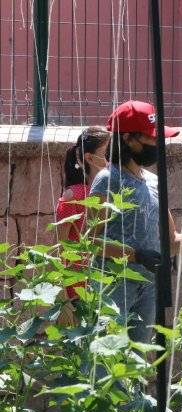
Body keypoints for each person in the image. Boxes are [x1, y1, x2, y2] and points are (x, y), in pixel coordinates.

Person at [90, 100, 182, 343]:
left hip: (148, 287)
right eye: (151, 138)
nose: (159, 144)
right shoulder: (108, 179)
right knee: (106, 363)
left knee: (136, 362)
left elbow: (171, 241)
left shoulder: (152, 181)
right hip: (114, 287)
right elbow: (92, 242)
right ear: (128, 139)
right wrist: (135, 254)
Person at [55, 126, 110, 325]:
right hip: (77, 289)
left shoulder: (116, 192)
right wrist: (63, 298)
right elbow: (58, 249)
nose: (113, 158)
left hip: (107, 285)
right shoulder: (74, 196)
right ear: (89, 158)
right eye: (108, 153)